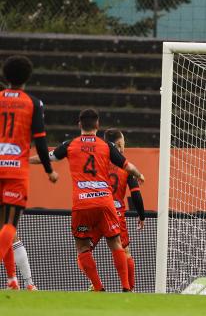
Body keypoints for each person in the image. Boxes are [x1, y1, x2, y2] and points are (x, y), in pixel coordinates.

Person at [30, 109, 145, 292]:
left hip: (82, 203)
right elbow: (127, 166)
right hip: (105, 202)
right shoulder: (106, 146)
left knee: (83, 247)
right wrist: (139, 174)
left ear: (79, 125)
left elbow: (47, 157)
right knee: (116, 243)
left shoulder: (70, 145)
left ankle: (98, 287)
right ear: (97, 125)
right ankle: (126, 287)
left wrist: (25, 160)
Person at [0, 56, 58, 289]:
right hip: (15, 171)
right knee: (10, 226)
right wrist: (49, 170)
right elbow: (41, 143)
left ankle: (12, 279)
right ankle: (21, 281)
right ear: (28, 77)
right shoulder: (33, 103)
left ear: (5, 76)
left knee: (3, 227)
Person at [86, 128, 145, 291]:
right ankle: (129, 289)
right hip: (116, 215)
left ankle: (95, 285)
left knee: (85, 249)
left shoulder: (96, 162)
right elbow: (136, 196)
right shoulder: (126, 167)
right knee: (124, 252)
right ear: (119, 144)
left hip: (95, 211)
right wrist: (142, 216)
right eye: (123, 144)